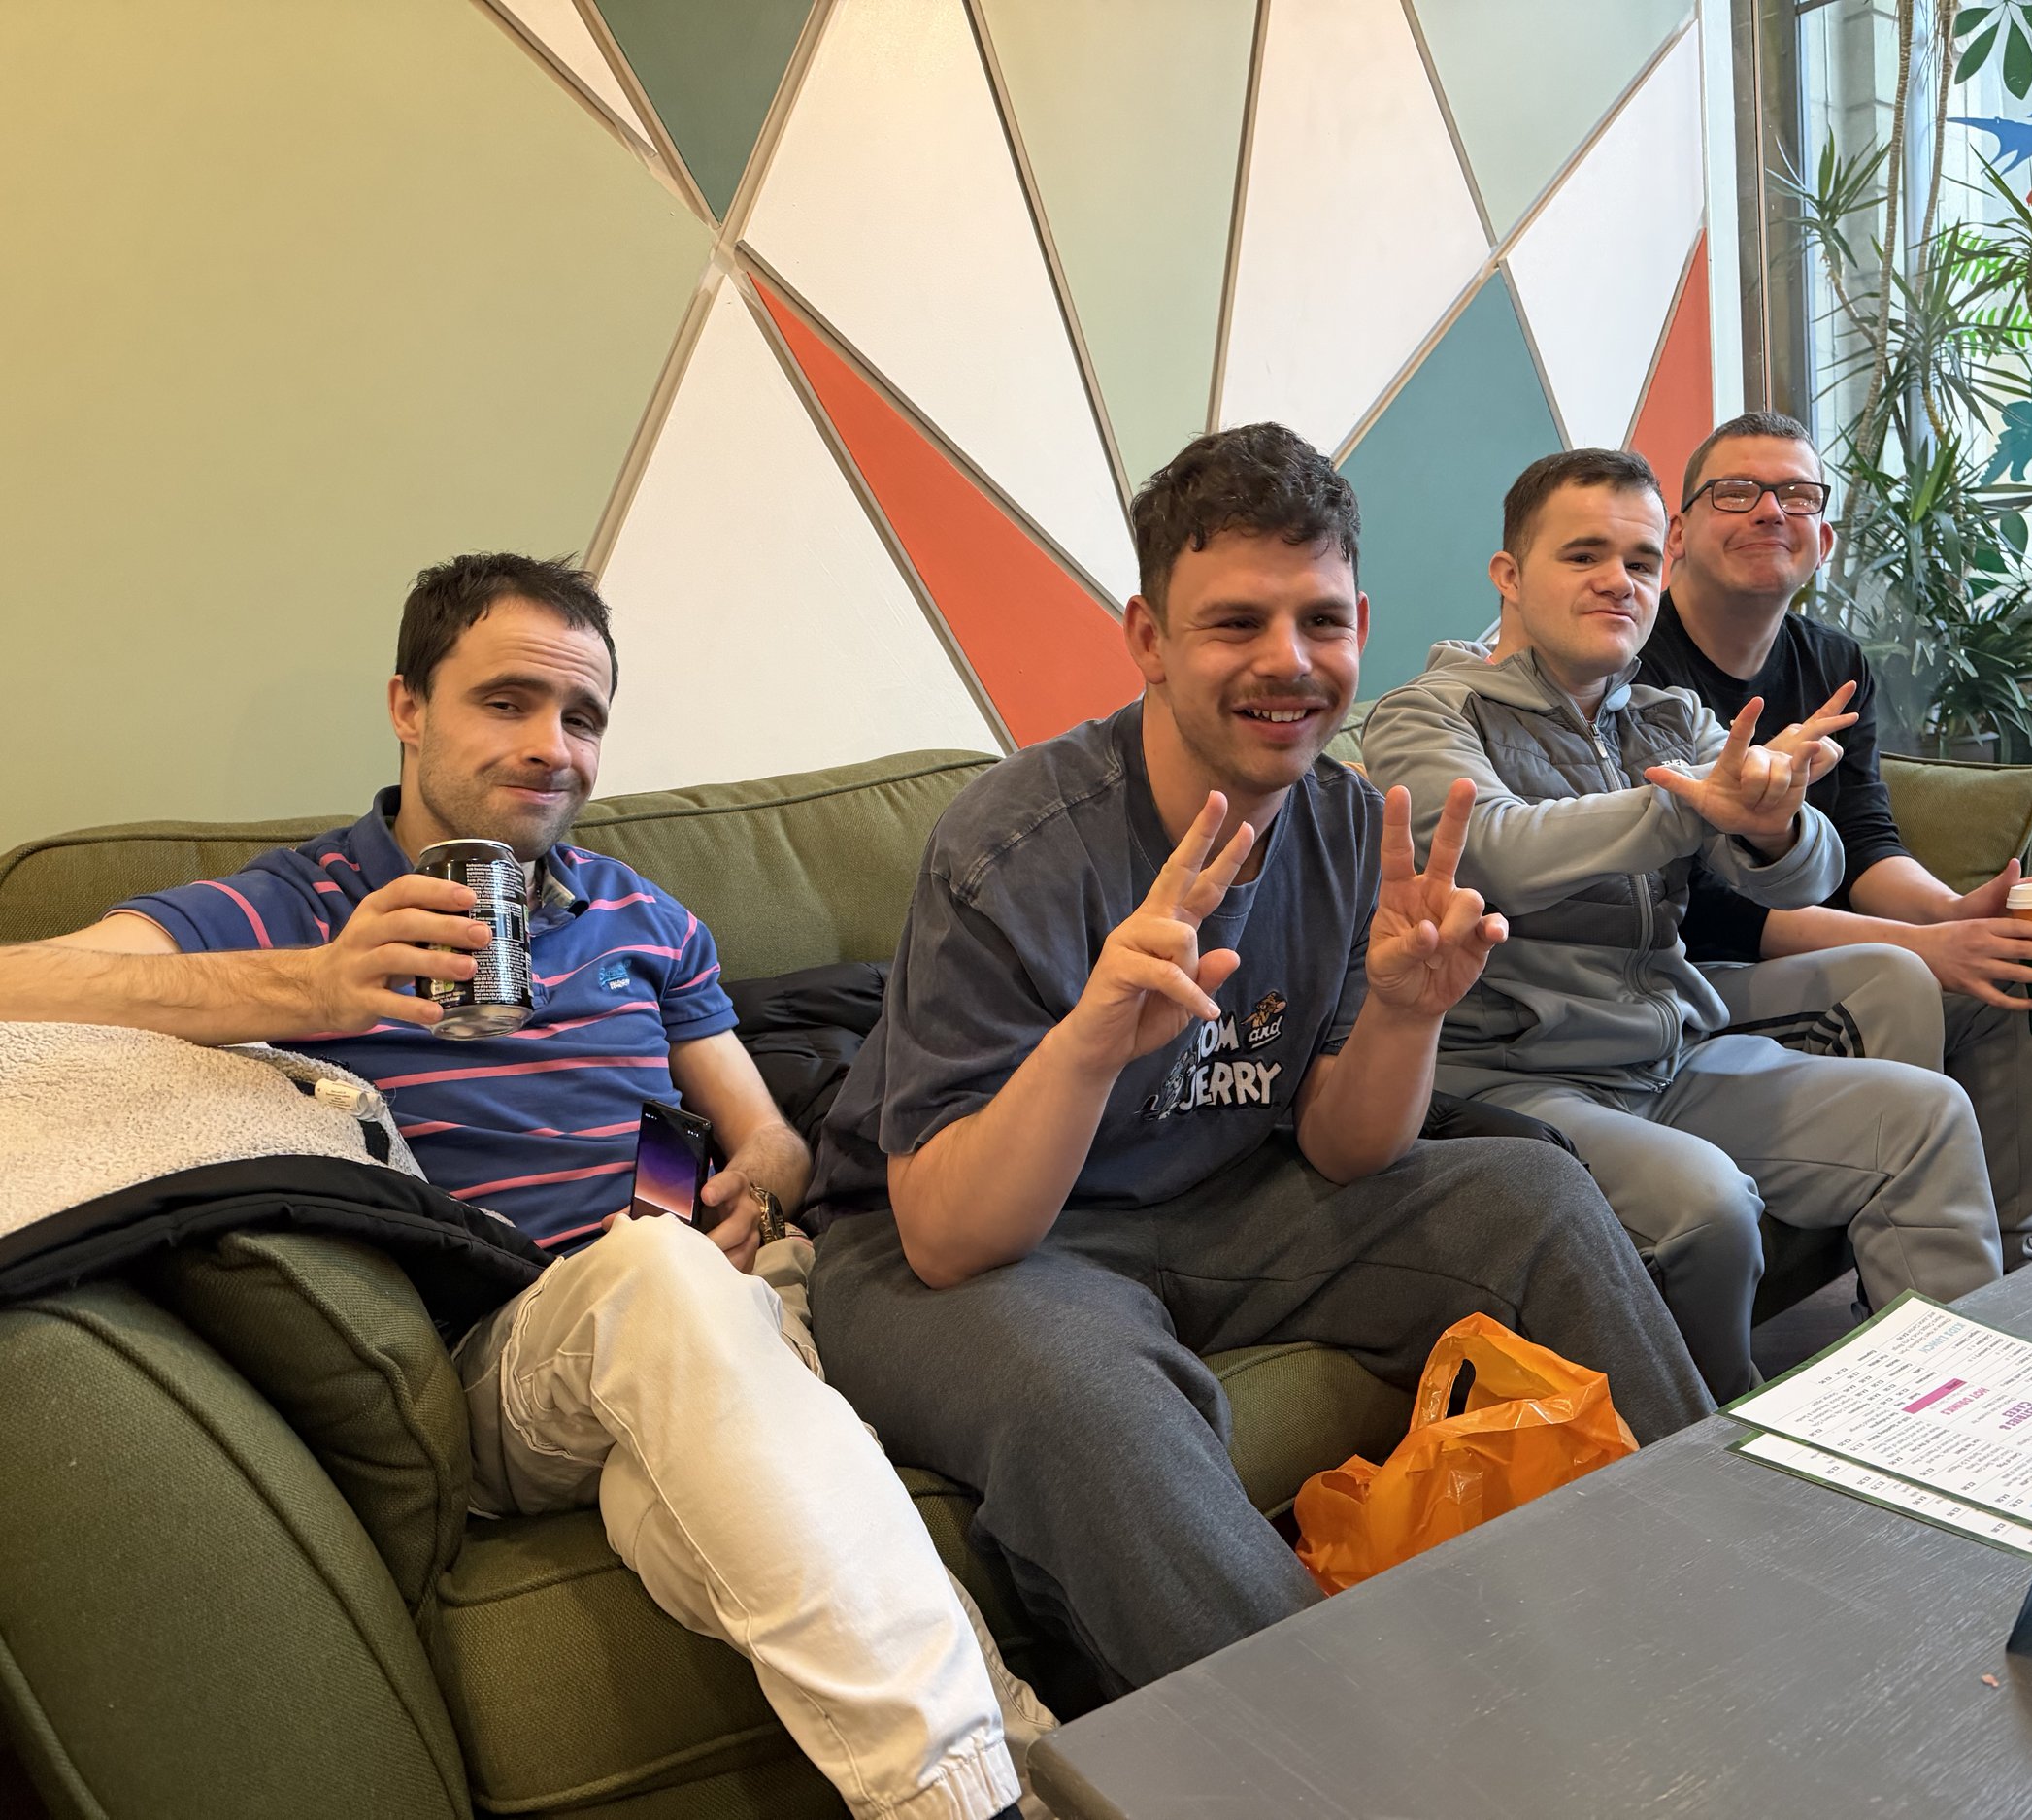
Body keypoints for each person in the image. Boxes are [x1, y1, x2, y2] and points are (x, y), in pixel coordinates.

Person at [0, 554, 1039, 1820]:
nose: (553, 746)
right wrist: (315, 986)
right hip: (501, 1350)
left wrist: (746, 1195)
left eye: (584, 715)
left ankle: (1017, 1761)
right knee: (655, 1287)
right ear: (408, 707)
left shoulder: (647, 918)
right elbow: (18, 985)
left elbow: (765, 1138)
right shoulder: (295, 902)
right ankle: (983, 1792)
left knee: (683, 1496)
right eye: (508, 701)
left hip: (696, 1308)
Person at [807, 424, 1712, 1700]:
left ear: (1361, 623)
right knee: (1085, 1400)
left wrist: (1407, 1011)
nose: (1287, 663)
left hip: (1227, 1197)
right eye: (1235, 622)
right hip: (974, 1244)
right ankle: (1334, 1763)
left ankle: (1722, 1601)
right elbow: (949, 1233)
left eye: (1320, 620)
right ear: (1148, 637)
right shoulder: (1014, 845)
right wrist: (1086, 1045)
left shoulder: (1347, 822)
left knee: (1535, 1192)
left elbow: (1350, 1147)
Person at [1360, 447, 2004, 1402]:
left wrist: (1776, 814)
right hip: (1512, 1083)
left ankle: (1957, 1418)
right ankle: (1705, 1454)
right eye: (1583, 556)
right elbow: (1497, 846)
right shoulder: (1423, 718)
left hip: (1668, 1057)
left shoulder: (1663, 716)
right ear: (1507, 576)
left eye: (1639, 561)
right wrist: (1695, 806)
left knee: (1926, 1117)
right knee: (1707, 1208)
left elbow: (1806, 875)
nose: (1617, 581)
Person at [1633, 411, 2032, 1271]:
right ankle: (1889, 1259)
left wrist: (1960, 912)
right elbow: (1710, 912)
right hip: (1699, 969)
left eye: (1797, 494)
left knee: (2027, 963)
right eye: (1736, 491)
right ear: (1680, 532)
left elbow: (1868, 840)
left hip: (1813, 946)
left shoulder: (1832, 657)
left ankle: (2007, 1245)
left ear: (1825, 536)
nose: (1771, 511)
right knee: (1899, 971)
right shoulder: (1635, 671)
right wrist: (1928, 944)